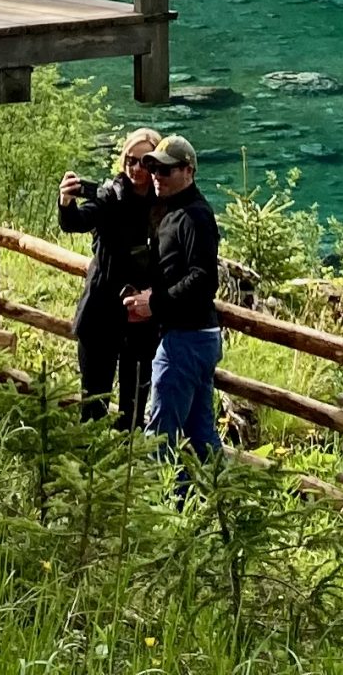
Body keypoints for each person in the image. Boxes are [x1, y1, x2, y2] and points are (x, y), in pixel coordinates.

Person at [125, 135, 222, 467]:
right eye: (153, 168)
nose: (156, 175)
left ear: (188, 171)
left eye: (166, 170)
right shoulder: (173, 211)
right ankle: (219, 505)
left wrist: (157, 304)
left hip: (185, 339)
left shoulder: (194, 216)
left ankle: (164, 507)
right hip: (195, 336)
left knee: (161, 434)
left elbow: (204, 278)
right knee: (201, 434)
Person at [58, 127, 163, 428]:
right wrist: (66, 202)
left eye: (145, 162)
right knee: (93, 406)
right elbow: (78, 221)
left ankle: (127, 469)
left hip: (141, 316)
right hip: (102, 313)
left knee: (132, 410)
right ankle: (90, 468)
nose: (136, 168)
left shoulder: (163, 204)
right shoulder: (110, 196)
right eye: (131, 160)